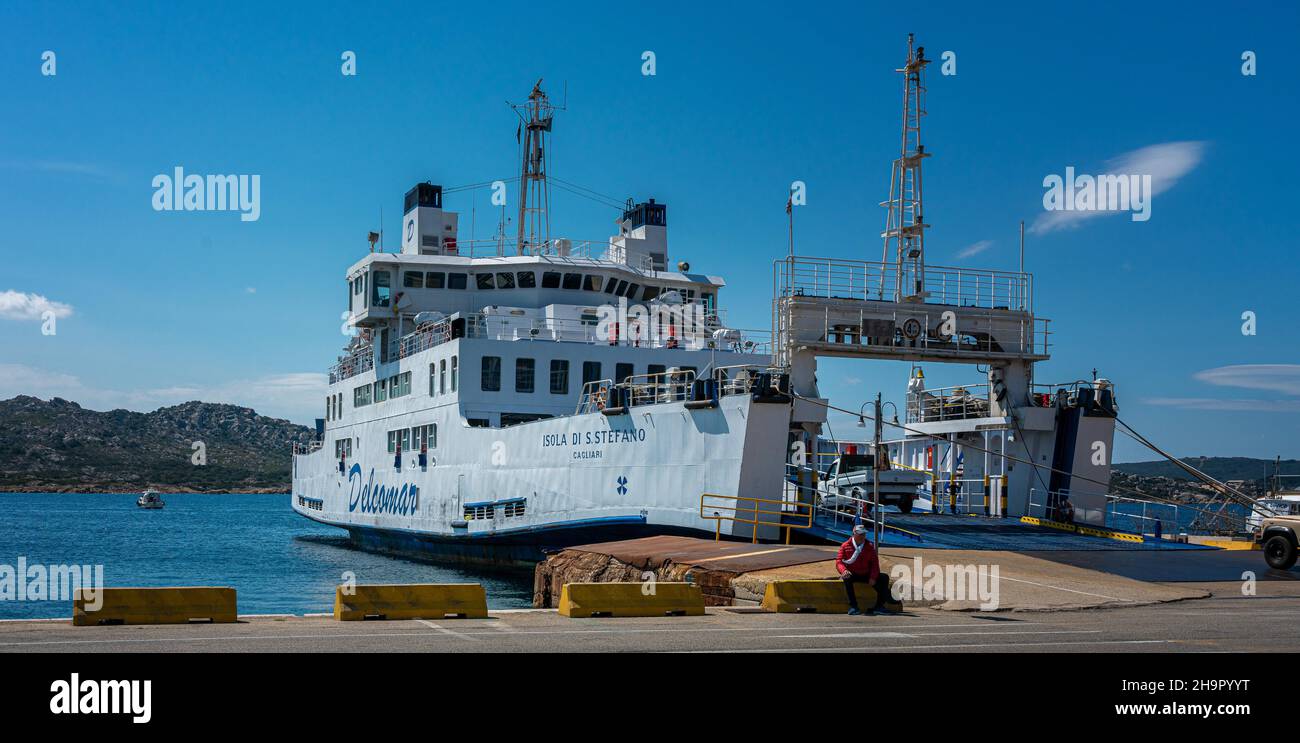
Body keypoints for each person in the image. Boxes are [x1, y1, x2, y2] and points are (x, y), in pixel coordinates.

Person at [836, 524, 895, 615]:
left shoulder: (869, 546)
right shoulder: (845, 546)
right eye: (860, 534)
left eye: (863, 534)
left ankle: (879, 606)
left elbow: (875, 564)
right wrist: (843, 570)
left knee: (884, 577)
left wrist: (873, 577)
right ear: (854, 534)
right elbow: (839, 562)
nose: (862, 536)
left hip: (866, 574)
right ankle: (854, 606)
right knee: (846, 578)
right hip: (853, 573)